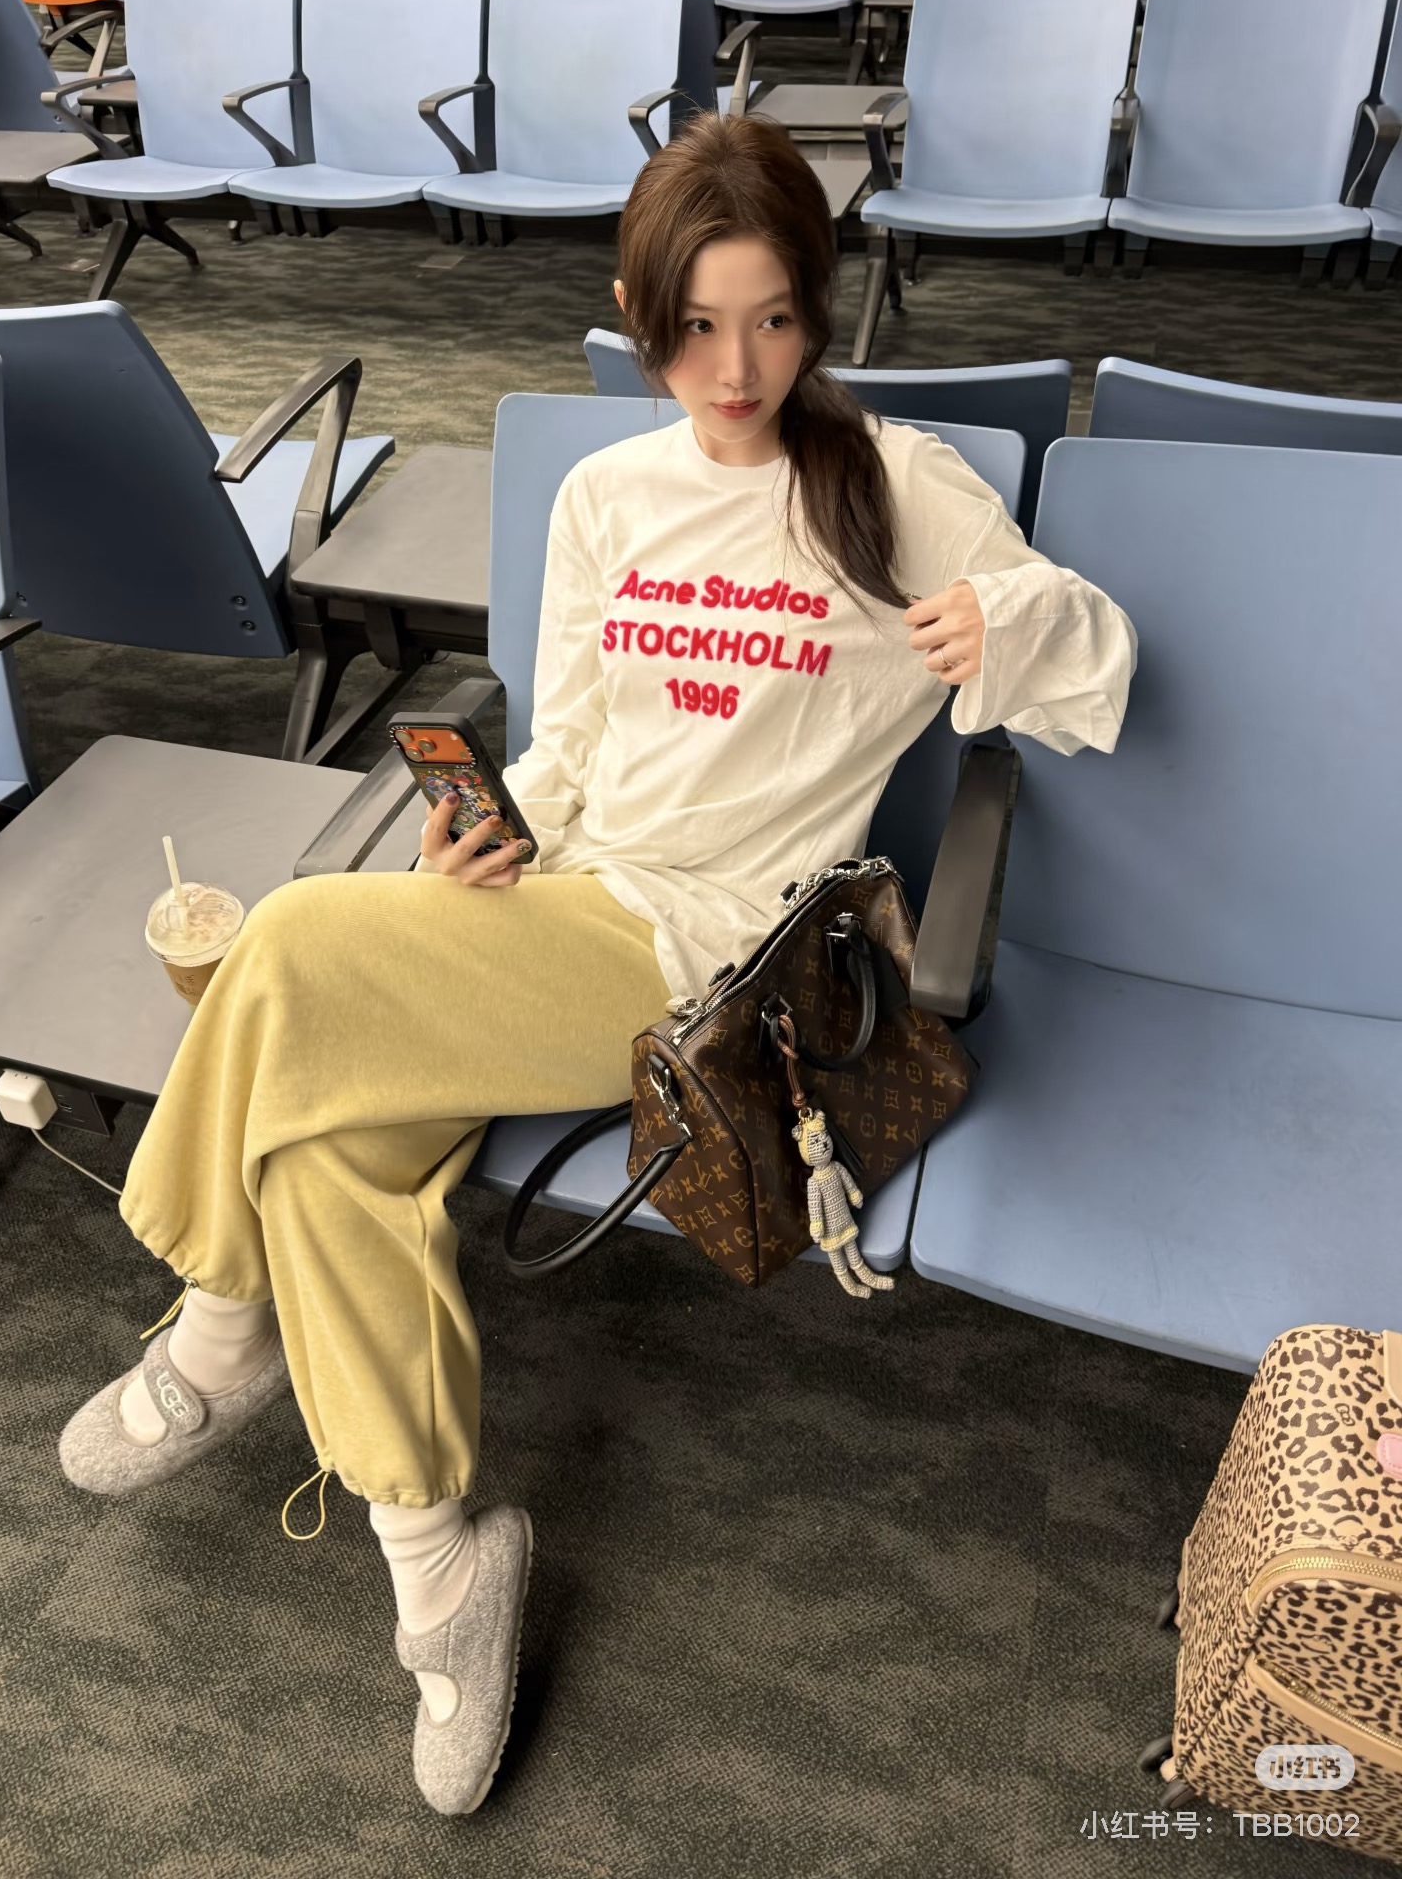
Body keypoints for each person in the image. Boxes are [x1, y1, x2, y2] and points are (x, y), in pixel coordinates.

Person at [56, 112, 1138, 1818]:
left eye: (772, 320)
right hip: (559, 902)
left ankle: (215, 1321)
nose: (737, 368)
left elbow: (1100, 671)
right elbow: (561, 749)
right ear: (641, 318)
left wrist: (1008, 626)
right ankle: (440, 1573)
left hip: (709, 961)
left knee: (292, 941)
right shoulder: (607, 496)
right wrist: (479, 842)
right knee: (328, 1147)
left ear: (818, 309)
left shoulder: (896, 484)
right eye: (696, 327)